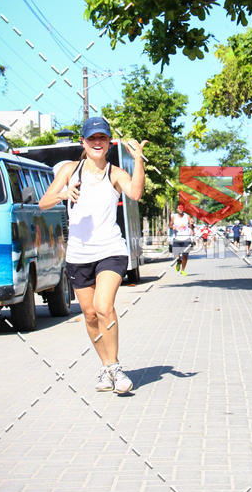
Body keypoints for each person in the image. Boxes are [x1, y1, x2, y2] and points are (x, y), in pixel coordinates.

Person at [39, 116, 147, 394]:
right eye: (92, 138)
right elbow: (43, 203)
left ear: (109, 143)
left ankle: (116, 368)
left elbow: (135, 193)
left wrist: (138, 160)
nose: (97, 142)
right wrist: (63, 194)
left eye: (102, 138)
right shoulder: (69, 170)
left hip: (110, 250)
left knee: (103, 306)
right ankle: (106, 366)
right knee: (89, 315)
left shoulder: (115, 173)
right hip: (78, 254)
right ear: (83, 142)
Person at [171, 203, 193, 275]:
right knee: (176, 255)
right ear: (177, 209)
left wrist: (192, 229)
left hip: (186, 238)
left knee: (185, 255)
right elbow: (170, 225)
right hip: (177, 238)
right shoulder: (174, 217)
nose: (180, 210)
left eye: (182, 208)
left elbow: (191, 225)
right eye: (179, 208)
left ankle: (183, 270)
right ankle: (178, 262)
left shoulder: (187, 216)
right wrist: (173, 227)